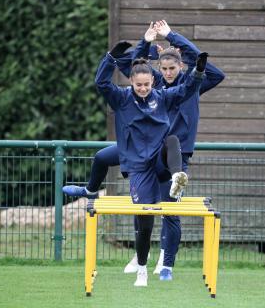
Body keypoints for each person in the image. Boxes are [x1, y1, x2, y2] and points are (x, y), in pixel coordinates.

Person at [63, 21, 225, 281]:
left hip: (169, 155)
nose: (168, 73)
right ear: (157, 70)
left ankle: (166, 263)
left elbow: (201, 76)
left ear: (181, 65)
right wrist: (144, 45)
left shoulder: (183, 89)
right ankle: (91, 191)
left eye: (173, 68)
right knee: (104, 158)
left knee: (169, 207)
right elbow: (132, 69)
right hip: (137, 149)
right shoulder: (150, 86)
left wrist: (178, 44)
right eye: (164, 68)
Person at [93, 46, 208, 287]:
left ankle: (178, 177)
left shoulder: (162, 97)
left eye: (147, 84)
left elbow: (187, 89)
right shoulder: (122, 99)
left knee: (172, 140)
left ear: (152, 82)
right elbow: (102, 84)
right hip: (138, 168)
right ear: (132, 83)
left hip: (159, 159)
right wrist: (111, 59)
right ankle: (142, 269)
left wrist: (198, 70)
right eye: (139, 85)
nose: (144, 89)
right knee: (144, 222)